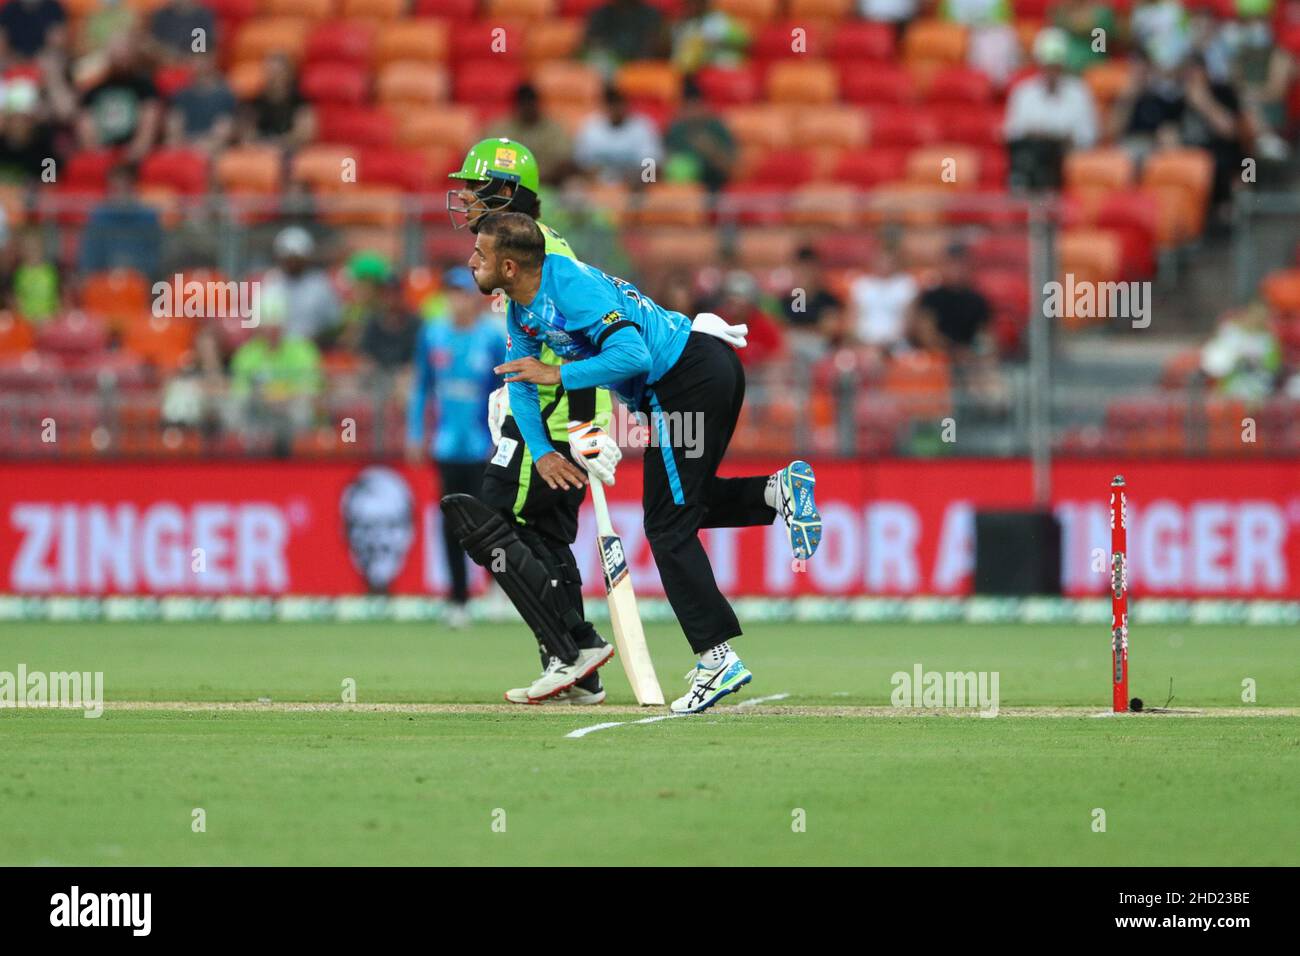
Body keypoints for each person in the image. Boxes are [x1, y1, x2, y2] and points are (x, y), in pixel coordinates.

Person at [476, 212, 823, 714]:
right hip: (696, 375)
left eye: (480, 254)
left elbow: (633, 355)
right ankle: (775, 492)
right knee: (678, 507)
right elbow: (522, 383)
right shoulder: (521, 308)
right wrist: (544, 451)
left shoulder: (571, 288)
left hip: (687, 380)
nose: (471, 260)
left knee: (665, 526)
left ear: (508, 266)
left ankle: (716, 658)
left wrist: (559, 372)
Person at [443, 137, 617, 705]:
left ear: (508, 193)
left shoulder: (546, 258)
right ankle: (577, 668)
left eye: (476, 189)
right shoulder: (533, 248)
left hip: (557, 414)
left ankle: (575, 646)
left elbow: (593, 340)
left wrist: (578, 429)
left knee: (491, 519)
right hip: (560, 410)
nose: (466, 200)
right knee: (543, 534)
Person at [406, 267, 505, 628]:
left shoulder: (490, 338)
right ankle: (458, 600)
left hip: (483, 446)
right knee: (452, 523)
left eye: (462, 293)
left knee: (489, 520)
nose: (456, 300)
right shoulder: (433, 335)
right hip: (448, 446)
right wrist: (416, 433)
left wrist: (501, 438)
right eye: (450, 293)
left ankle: (497, 588)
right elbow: (422, 387)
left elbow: (502, 392)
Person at [1004, 26, 1099, 189]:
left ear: (1063, 64)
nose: (1051, 72)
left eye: (1055, 66)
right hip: (1031, 155)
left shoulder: (1079, 92)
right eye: (1048, 66)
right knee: (1028, 158)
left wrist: (1058, 137)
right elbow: (1012, 133)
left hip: (1063, 157)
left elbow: (1088, 136)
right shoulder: (1023, 92)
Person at [78, 163, 163, 277]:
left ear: (134, 188)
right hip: (103, 281)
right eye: (116, 188)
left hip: (140, 281)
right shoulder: (99, 218)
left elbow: (156, 257)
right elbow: (90, 259)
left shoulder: (148, 217)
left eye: (125, 187)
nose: (120, 193)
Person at [260, 226, 341, 346]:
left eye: (297, 259)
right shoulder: (270, 282)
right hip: (277, 351)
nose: (293, 263)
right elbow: (262, 325)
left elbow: (333, 322)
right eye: (288, 258)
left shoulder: (320, 284)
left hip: (315, 349)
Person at [484, 83, 575, 185]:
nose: (528, 108)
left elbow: (564, 162)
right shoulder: (500, 129)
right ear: (517, 106)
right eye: (524, 104)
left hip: (548, 186)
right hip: (507, 185)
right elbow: (487, 159)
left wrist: (534, 179)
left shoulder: (554, 130)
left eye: (530, 104)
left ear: (537, 104)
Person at [573, 84, 663, 186]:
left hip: (634, 185)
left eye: (618, 103)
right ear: (604, 105)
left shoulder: (642, 127)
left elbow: (652, 166)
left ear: (626, 104)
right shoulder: (590, 127)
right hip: (597, 185)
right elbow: (579, 163)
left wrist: (637, 177)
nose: (615, 108)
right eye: (611, 103)